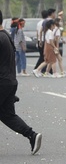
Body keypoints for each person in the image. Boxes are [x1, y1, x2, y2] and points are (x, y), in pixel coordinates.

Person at [1, 9, 43, 155]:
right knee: (7, 115)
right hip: (10, 81)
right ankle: (32, 135)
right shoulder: (5, 36)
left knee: (7, 115)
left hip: (2, 82)